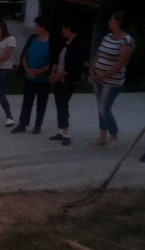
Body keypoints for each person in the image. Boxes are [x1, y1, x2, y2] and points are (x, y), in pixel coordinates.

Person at [89, 11, 135, 149]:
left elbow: (120, 64)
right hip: (98, 78)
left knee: (105, 108)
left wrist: (102, 76)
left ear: (118, 22)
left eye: (111, 19)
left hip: (112, 82)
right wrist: (92, 70)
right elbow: (98, 54)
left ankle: (113, 135)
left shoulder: (127, 41)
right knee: (100, 108)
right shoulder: (108, 36)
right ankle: (102, 136)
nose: (109, 21)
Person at [11, 16, 54, 134]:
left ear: (43, 27)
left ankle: (38, 125)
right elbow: (25, 56)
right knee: (27, 101)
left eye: (36, 26)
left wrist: (40, 71)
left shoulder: (51, 42)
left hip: (43, 79)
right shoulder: (33, 39)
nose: (34, 28)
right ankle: (23, 123)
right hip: (29, 76)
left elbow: (53, 62)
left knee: (41, 102)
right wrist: (27, 69)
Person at [49, 18, 85, 146]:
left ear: (69, 28)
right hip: (59, 77)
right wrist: (54, 73)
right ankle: (61, 130)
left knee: (63, 102)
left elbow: (73, 65)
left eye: (64, 28)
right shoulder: (65, 42)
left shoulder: (78, 44)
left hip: (70, 79)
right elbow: (58, 58)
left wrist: (59, 75)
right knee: (59, 102)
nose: (62, 31)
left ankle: (66, 132)